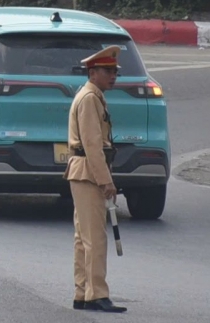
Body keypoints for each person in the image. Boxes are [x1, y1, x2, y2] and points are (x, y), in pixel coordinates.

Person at [66, 45, 128, 314]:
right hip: (88, 172)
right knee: (95, 239)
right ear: (93, 73)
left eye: (115, 71)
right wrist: (106, 181)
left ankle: (83, 292)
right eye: (107, 71)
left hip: (82, 170)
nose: (113, 76)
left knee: (84, 237)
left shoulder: (92, 95)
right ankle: (96, 294)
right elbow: (92, 145)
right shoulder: (90, 98)